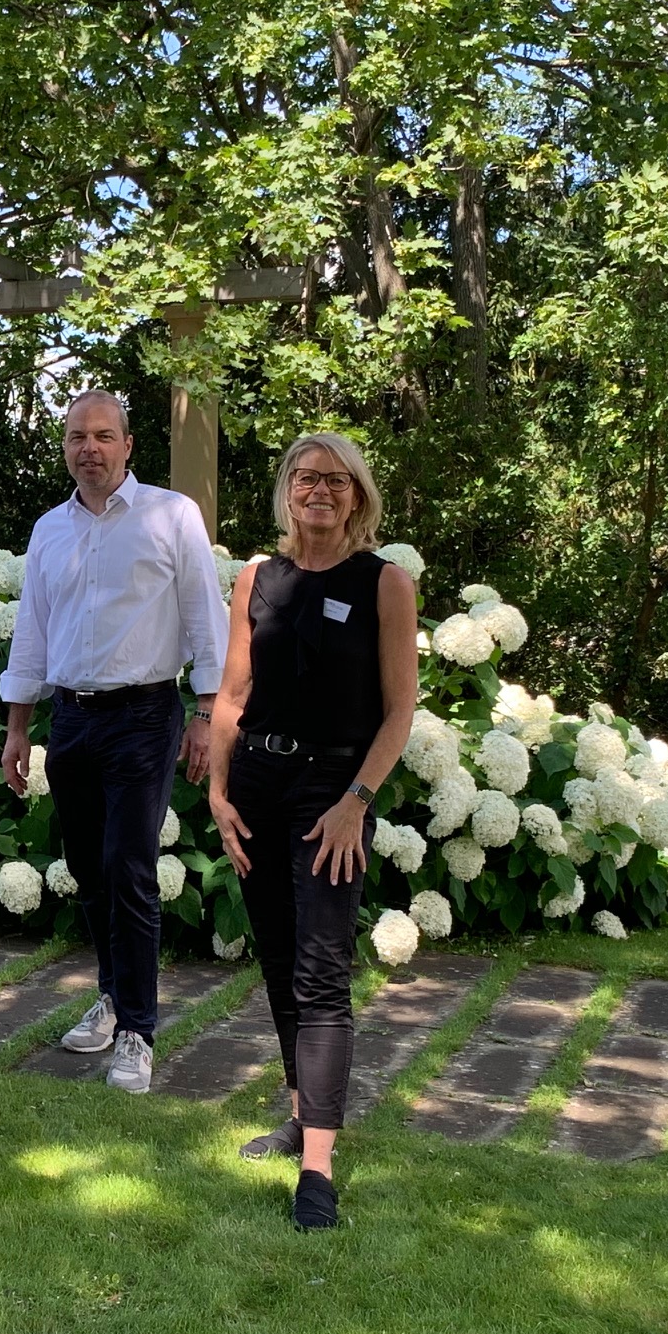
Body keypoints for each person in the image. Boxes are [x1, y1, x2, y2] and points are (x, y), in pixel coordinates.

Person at [207, 431, 418, 1229]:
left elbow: (399, 710)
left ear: (358, 496)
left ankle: (319, 1173)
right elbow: (232, 693)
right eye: (306, 478)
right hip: (256, 785)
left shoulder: (384, 583)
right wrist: (220, 792)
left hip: (333, 793)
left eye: (336, 480)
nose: (319, 491)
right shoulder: (258, 578)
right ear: (287, 489)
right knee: (279, 959)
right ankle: (300, 1117)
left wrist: (356, 800)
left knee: (322, 970)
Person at [0, 389, 228, 1095]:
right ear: (65, 446)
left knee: (129, 869)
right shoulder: (50, 530)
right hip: (69, 720)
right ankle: (110, 996)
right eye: (76, 437)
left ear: (128, 445)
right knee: (87, 869)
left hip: (143, 715)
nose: (89, 448)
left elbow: (203, 615)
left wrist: (207, 712)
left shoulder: (171, 515)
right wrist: (16, 726)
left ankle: (138, 1030)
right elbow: (32, 631)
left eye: (103, 436)